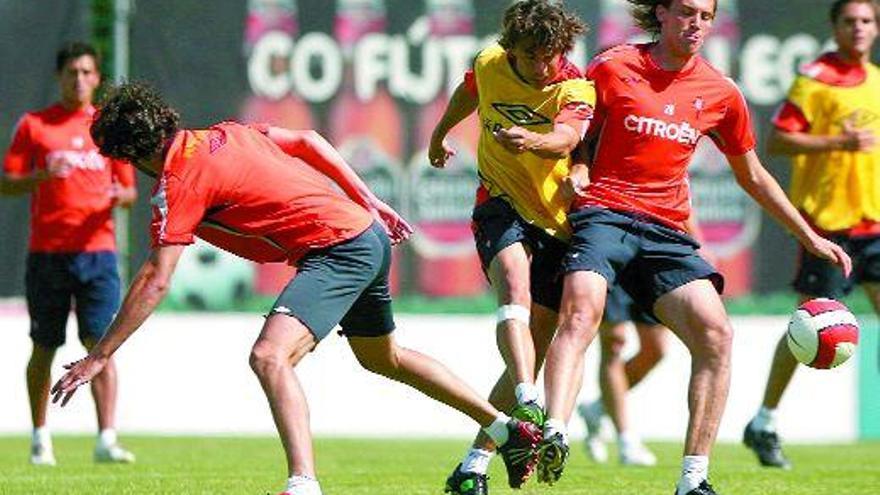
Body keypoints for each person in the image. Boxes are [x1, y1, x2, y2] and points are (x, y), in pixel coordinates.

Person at [50, 82, 543, 495]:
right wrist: (370, 200)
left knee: (270, 356)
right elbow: (307, 139)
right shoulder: (226, 134)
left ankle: (302, 484)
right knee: (383, 358)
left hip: (340, 248)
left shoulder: (179, 181)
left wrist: (99, 356)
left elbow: (156, 278)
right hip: (362, 234)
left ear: (132, 154)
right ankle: (508, 429)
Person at [534, 1, 852, 494]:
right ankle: (553, 433)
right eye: (685, 12)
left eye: (705, 15)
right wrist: (577, 167)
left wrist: (808, 236)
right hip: (604, 213)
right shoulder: (612, 65)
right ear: (660, 13)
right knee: (581, 313)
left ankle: (693, 481)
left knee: (716, 335)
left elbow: (753, 175)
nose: (696, 24)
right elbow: (575, 131)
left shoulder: (721, 92)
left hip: (666, 231)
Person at [428, 1, 594, 492]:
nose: (543, 67)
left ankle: (472, 466)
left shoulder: (575, 85)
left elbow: (566, 138)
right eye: (531, 56)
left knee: (536, 343)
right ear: (510, 49)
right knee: (514, 287)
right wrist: (439, 133)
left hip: (556, 224)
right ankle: (529, 400)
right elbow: (468, 93)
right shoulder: (489, 63)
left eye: (551, 55)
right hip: (498, 203)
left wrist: (532, 140)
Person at [743, 0, 879, 470]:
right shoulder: (815, 78)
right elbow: (779, 139)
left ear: (876, 28)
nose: (858, 28)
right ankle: (764, 420)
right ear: (835, 27)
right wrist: (838, 142)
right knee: (809, 327)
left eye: (866, 21)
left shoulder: (877, 82)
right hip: (827, 225)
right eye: (850, 21)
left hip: (874, 222)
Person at [0, 41, 137, 466]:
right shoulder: (35, 126)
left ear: (97, 78)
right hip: (48, 255)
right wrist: (41, 176)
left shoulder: (108, 128)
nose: (79, 79)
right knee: (44, 346)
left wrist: (121, 195)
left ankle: (106, 439)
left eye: (86, 72)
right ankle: (41, 438)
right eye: (71, 72)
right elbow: (7, 183)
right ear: (59, 77)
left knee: (102, 346)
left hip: (98, 254)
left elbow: (130, 189)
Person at [576, 285, 666, 467]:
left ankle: (597, 408)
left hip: (647, 263)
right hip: (613, 266)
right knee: (614, 343)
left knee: (656, 349)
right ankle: (627, 442)